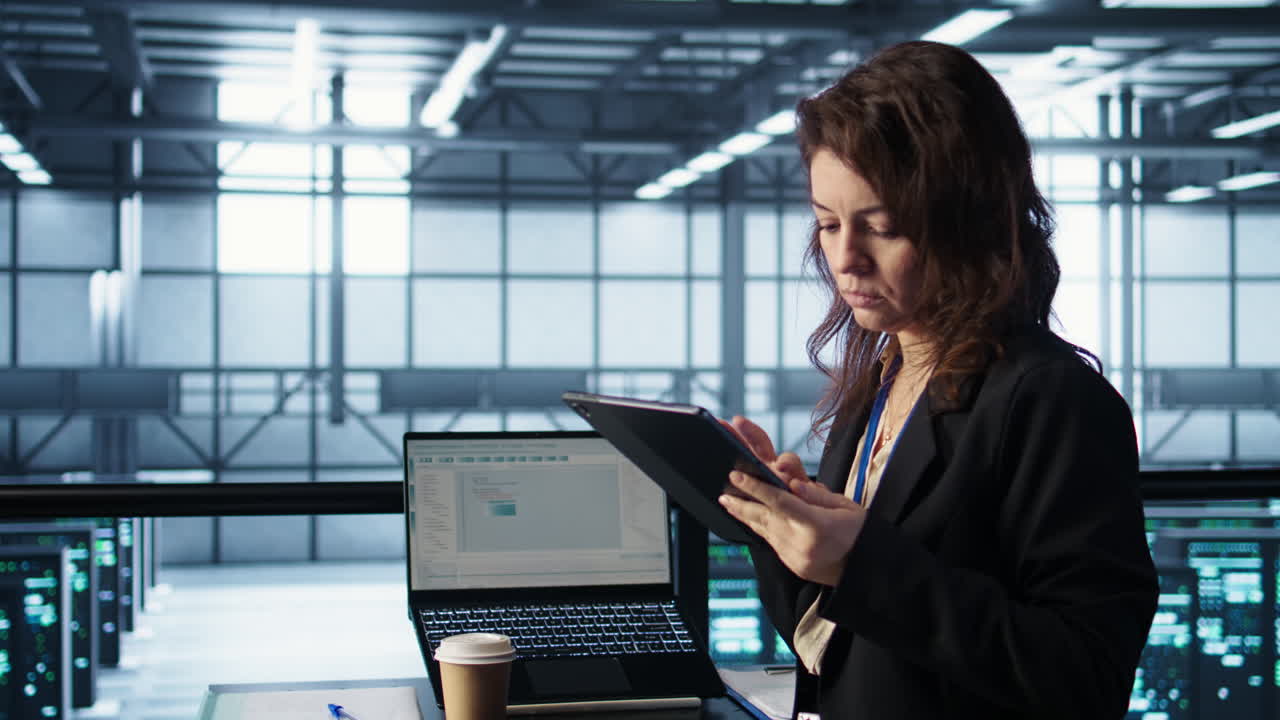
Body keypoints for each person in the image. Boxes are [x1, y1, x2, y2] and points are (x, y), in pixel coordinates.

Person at [716, 41, 1158, 719]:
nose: (845, 259)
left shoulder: (1054, 401)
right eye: (827, 224)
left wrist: (863, 562)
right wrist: (774, 524)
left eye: (881, 227)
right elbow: (833, 644)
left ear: (968, 222)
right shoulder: (883, 373)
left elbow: (1085, 676)